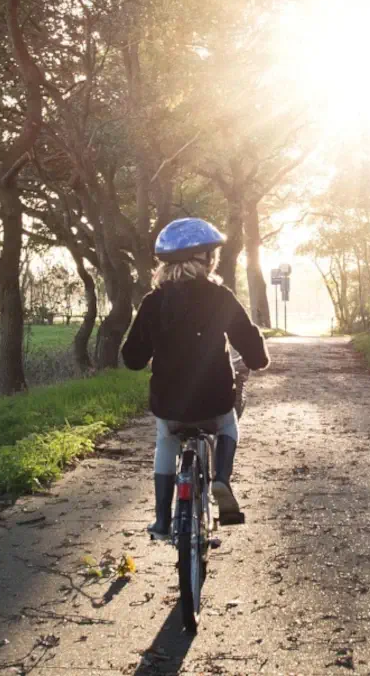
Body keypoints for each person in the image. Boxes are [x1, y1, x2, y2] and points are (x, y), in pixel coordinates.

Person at [121, 217, 269, 538]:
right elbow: (254, 350)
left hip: (169, 405)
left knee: (166, 439)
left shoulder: (153, 302)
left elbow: (131, 358)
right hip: (214, 402)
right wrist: (255, 358)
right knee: (228, 424)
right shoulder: (221, 297)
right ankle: (221, 480)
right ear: (205, 259)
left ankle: (162, 520)